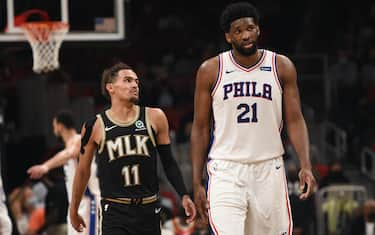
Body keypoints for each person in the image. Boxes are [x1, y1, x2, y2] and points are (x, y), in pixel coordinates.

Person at [190, 2, 316, 235]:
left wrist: (305, 165)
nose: (245, 35)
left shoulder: (281, 66)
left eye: (249, 28)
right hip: (226, 168)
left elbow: (296, 120)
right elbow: (199, 128)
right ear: (228, 37)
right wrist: (196, 181)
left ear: (258, 29)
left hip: (269, 168)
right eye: (238, 31)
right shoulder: (211, 70)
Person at [69, 62, 196, 235]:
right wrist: (74, 208)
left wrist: (184, 194)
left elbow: (169, 163)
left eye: (136, 81)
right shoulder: (95, 126)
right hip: (115, 210)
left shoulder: (155, 117)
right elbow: (83, 171)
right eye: (128, 80)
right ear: (110, 87)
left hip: (148, 208)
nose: (135, 85)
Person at [27, 110, 100, 235]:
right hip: (75, 206)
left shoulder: (79, 139)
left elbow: (70, 153)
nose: (53, 128)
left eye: (54, 124)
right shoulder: (68, 146)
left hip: (88, 202)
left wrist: (45, 167)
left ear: (60, 126)